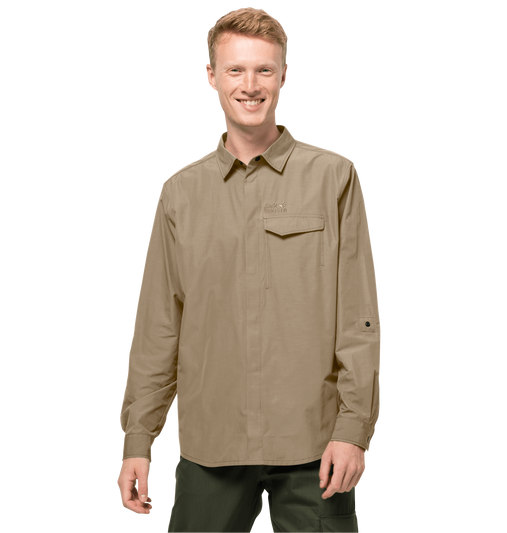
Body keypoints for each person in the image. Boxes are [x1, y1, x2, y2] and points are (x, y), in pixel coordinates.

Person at [115, 5, 381, 532]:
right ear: (211, 76)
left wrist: (354, 430)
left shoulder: (334, 176)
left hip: (315, 448)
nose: (251, 85)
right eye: (235, 69)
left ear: (284, 76)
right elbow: (158, 326)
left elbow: (358, 319)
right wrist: (138, 441)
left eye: (264, 69)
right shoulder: (180, 192)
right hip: (210, 446)